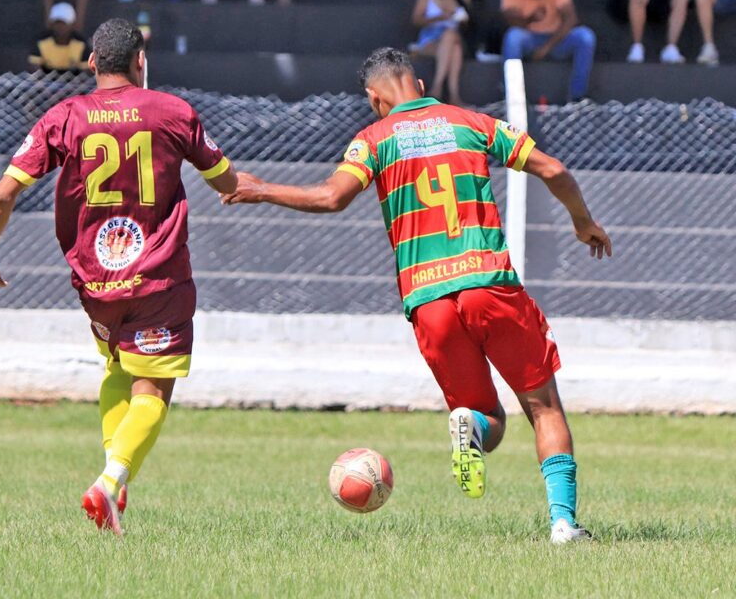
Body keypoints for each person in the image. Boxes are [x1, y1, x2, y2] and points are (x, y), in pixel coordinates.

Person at [222, 47, 612, 544]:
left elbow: (331, 198)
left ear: (374, 98)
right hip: (488, 283)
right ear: (420, 85)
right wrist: (584, 222)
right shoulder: (472, 122)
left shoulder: (373, 139)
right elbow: (553, 169)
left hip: (428, 301)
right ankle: (563, 525)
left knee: (489, 418)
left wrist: (260, 189)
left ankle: (470, 422)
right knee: (543, 407)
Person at [0, 18, 238, 535]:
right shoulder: (172, 111)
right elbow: (224, 178)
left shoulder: (64, 116)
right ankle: (112, 481)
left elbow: (3, 194)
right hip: (159, 278)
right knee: (154, 387)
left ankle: (115, 489)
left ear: (92, 63)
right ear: (140, 62)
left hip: (97, 283)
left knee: (116, 368)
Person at [501, 0, 596, 101]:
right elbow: (510, 22)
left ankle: (577, 96)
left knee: (585, 36)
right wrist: (530, 19)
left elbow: (571, 19)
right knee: (512, 37)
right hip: (530, 39)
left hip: (556, 39)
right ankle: (511, 95)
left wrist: (547, 47)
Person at [410, 0, 470, 106]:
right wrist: (440, 17)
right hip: (430, 41)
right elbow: (416, 19)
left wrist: (464, 17)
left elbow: (468, 28)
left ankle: (445, 92)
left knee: (453, 42)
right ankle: (444, 90)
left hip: (452, 41)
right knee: (452, 43)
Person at [28, 2, 89, 72]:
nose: (60, 27)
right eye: (57, 23)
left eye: (64, 23)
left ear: (72, 25)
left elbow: (86, 73)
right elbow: (34, 70)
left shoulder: (81, 43)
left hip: (74, 82)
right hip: (46, 82)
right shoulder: (41, 41)